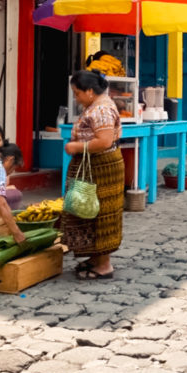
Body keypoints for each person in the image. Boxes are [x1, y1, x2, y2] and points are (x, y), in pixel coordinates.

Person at [61, 70, 124, 280]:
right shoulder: (96, 106)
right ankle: (96, 257)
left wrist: (76, 147)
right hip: (93, 165)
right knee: (87, 209)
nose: (76, 97)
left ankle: (104, 264)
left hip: (101, 166)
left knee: (100, 211)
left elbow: (104, 141)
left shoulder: (101, 110)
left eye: (77, 93)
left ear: (89, 91)